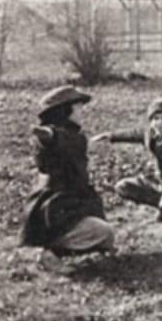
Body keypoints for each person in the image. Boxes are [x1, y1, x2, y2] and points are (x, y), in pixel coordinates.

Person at [21, 86, 114, 272]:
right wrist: (48, 136)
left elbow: (65, 140)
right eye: (77, 107)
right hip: (54, 205)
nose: (81, 111)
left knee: (106, 238)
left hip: (64, 202)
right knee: (104, 232)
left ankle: (52, 250)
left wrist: (50, 136)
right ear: (65, 111)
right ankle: (49, 252)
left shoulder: (74, 136)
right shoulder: (61, 136)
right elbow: (56, 139)